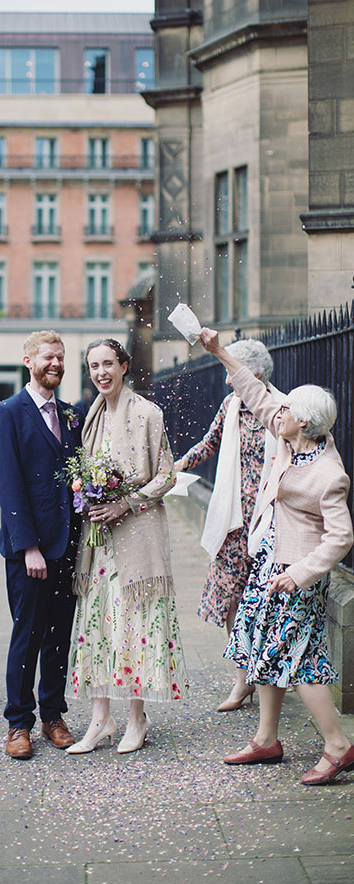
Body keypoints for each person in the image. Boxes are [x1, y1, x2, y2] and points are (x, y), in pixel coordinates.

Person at [199, 327, 354, 785]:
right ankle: (267, 738)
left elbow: (340, 538)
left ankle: (339, 746)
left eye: (285, 409)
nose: (276, 409)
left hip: (296, 573)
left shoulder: (328, 474)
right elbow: (254, 391)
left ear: (302, 422)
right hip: (269, 562)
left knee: (299, 658)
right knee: (262, 649)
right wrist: (219, 351)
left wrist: (300, 575)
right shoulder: (289, 437)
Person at [66, 339, 188, 755]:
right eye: (93, 365)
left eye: (108, 364)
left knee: (134, 625)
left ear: (124, 366)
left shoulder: (147, 413)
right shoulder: (92, 416)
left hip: (136, 535)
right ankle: (100, 719)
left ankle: (137, 717)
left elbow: (167, 475)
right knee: (98, 626)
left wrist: (127, 502)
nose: (101, 372)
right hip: (99, 543)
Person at [0, 330, 83, 759]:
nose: (56, 364)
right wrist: (28, 547)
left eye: (60, 358)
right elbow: (8, 487)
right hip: (28, 549)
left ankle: (53, 715)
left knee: (60, 634)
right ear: (28, 360)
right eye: (48, 357)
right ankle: (18, 723)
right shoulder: (6, 413)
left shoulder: (73, 416)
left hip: (68, 546)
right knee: (27, 635)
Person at [174, 339, 281, 711]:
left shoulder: (280, 410)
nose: (225, 380)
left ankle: (263, 673)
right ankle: (241, 679)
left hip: (269, 524)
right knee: (231, 599)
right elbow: (209, 444)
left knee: (265, 602)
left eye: (231, 370)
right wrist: (175, 467)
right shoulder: (231, 406)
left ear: (251, 374)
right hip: (234, 522)